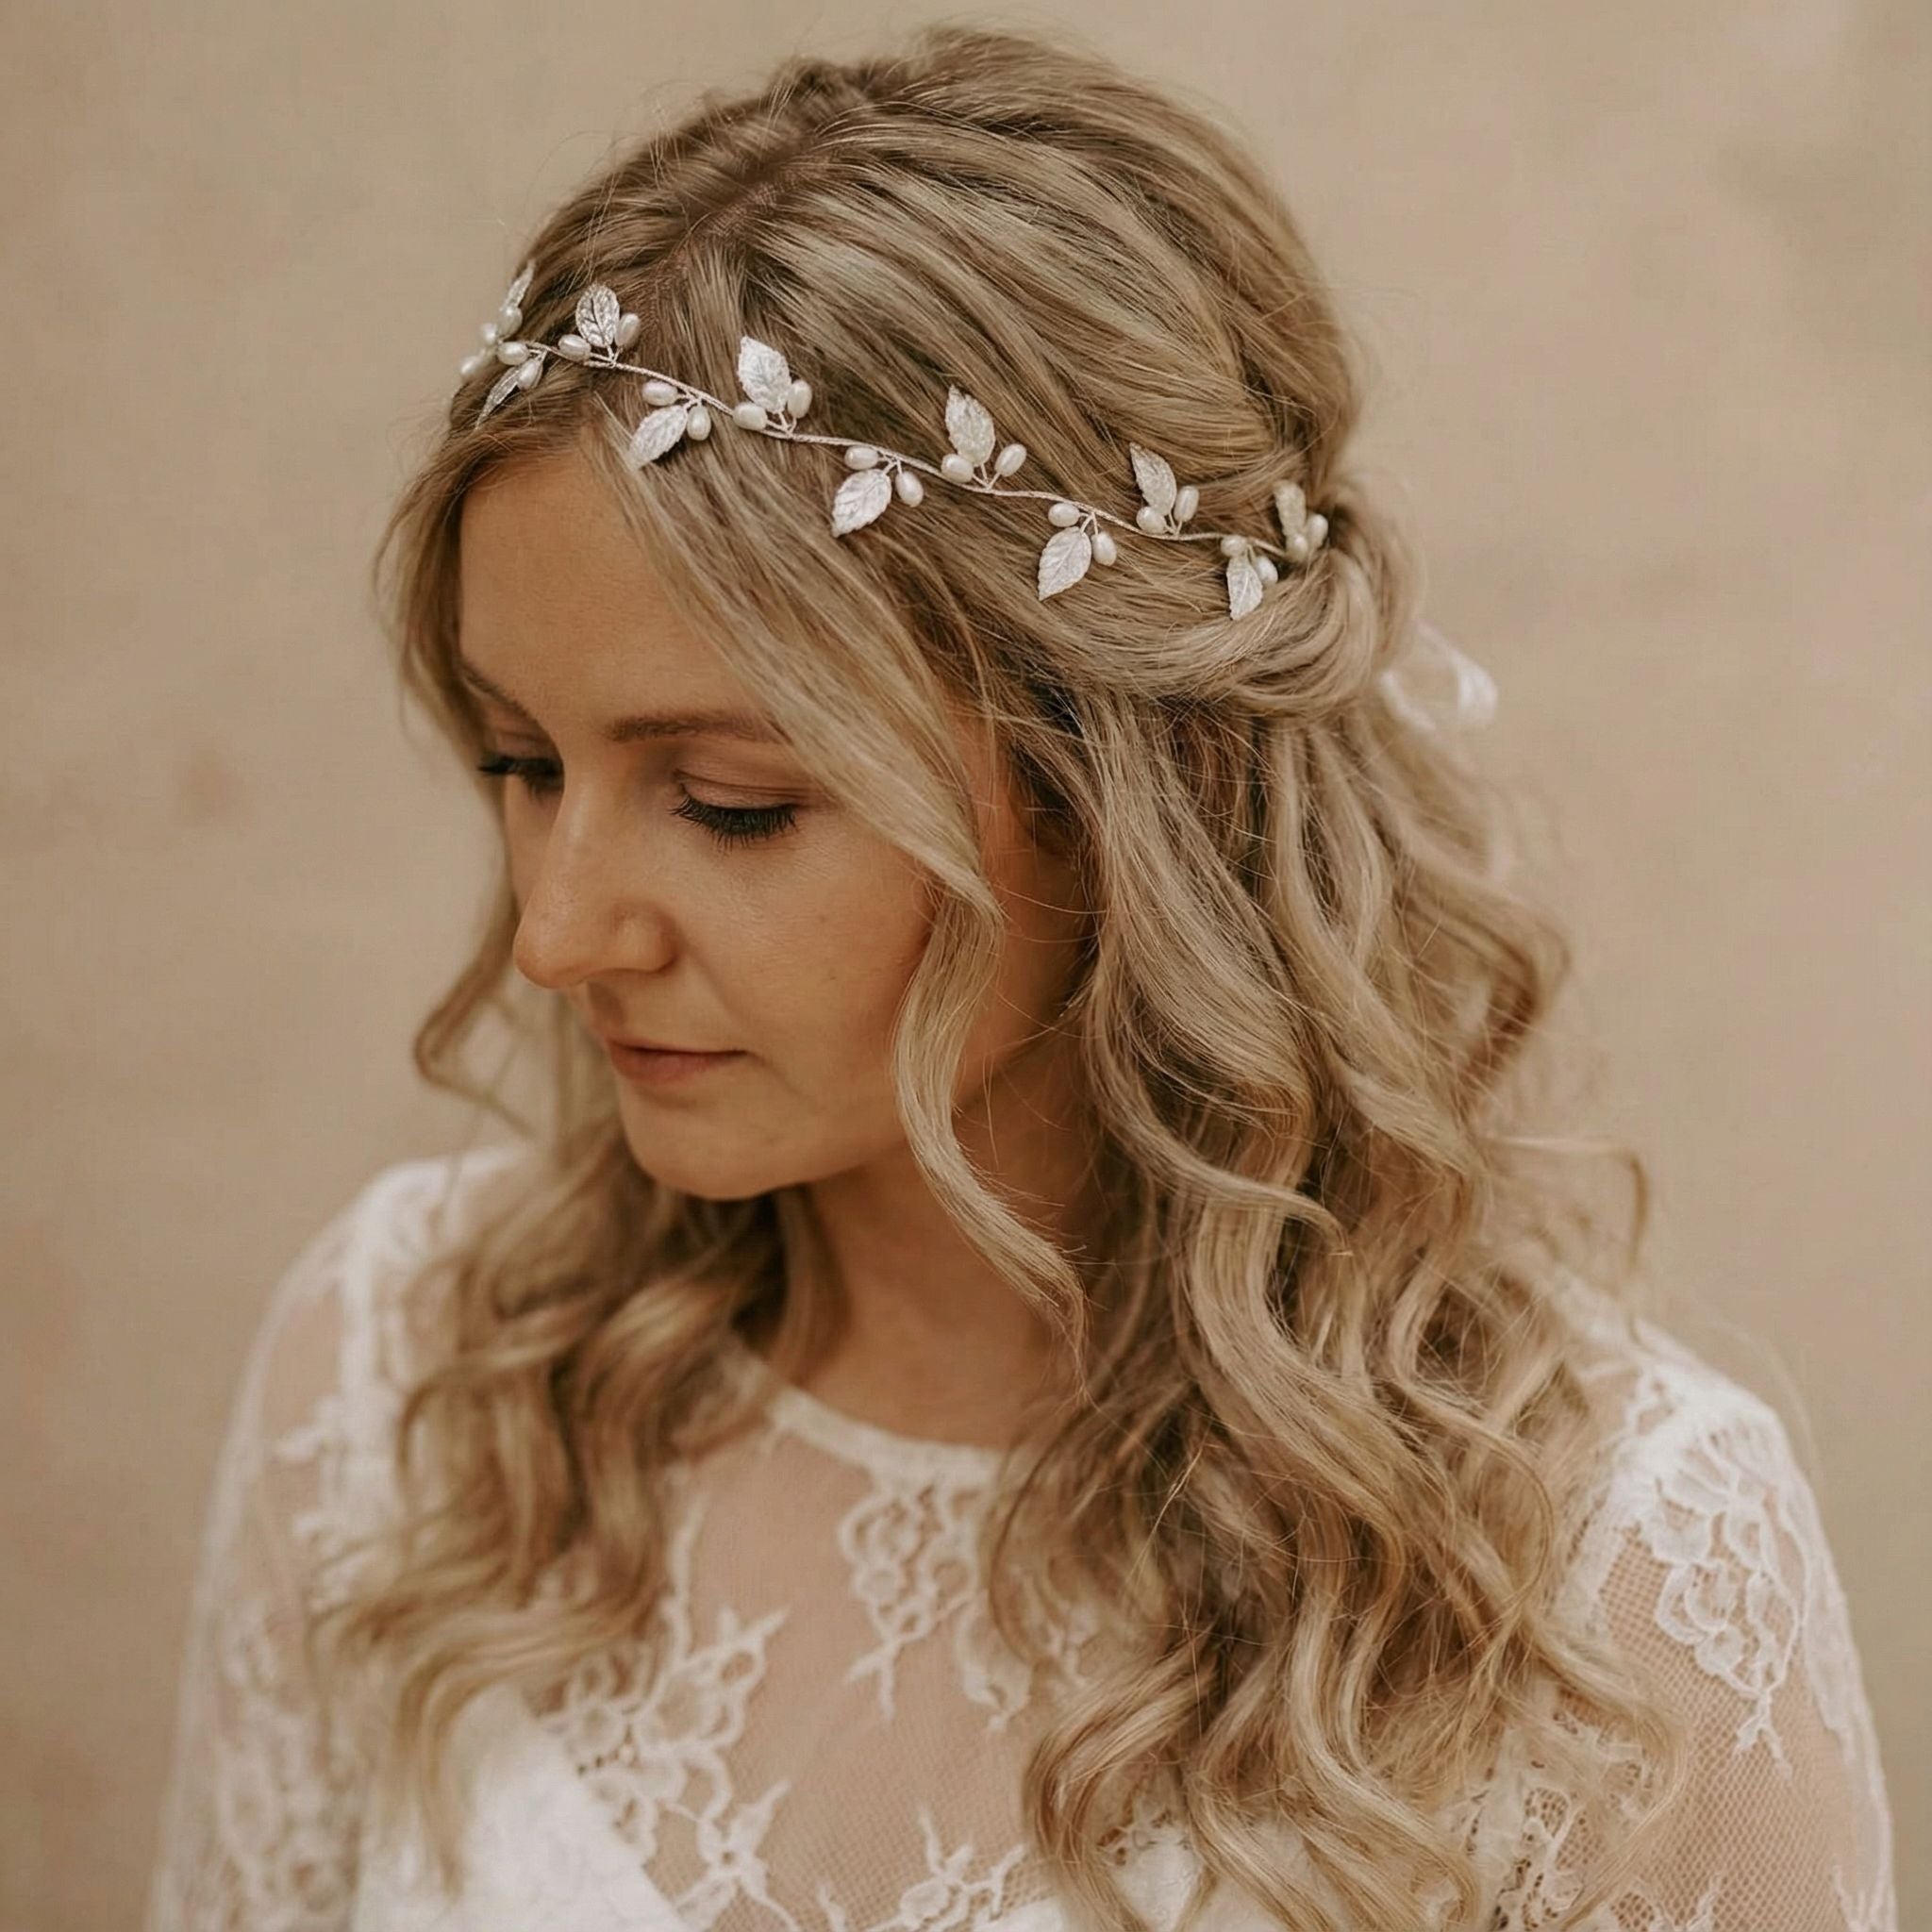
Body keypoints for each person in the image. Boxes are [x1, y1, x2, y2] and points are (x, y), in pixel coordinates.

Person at [142, 23, 1896, 1932]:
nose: (557, 932)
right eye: (521, 764)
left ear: (1122, 788)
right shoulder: (407, 1383)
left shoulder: (1607, 1577)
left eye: (726, 804)